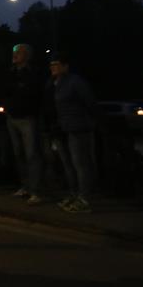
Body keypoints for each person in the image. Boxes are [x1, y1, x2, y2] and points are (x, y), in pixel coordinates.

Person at [47, 54, 98, 213]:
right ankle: (74, 194)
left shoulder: (75, 82)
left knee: (80, 163)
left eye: (57, 64)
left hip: (77, 126)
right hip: (61, 127)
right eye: (51, 65)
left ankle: (85, 198)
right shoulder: (53, 83)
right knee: (68, 164)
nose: (53, 67)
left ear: (65, 66)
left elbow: (89, 102)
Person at [3, 44, 44, 205]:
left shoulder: (32, 73)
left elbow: (33, 92)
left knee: (31, 154)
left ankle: (35, 189)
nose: (14, 55)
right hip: (12, 117)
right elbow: (6, 90)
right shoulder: (11, 72)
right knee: (18, 154)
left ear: (27, 55)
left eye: (18, 52)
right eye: (14, 52)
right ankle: (25, 185)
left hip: (27, 118)